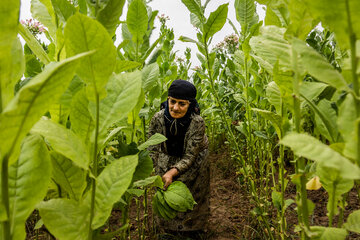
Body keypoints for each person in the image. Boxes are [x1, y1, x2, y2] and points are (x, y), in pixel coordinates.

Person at [148, 79, 209, 236]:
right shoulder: (158, 118)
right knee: (165, 190)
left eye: (182, 104)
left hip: (195, 159)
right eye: (172, 101)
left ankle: (192, 230)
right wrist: (151, 171)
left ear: (190, 104)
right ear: (167, 99)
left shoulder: (197, 122)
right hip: (167, 155)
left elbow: (190, 156)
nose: (175, 108)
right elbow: (152, 148)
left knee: (191, 193)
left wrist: (172, 172)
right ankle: (167, 230)